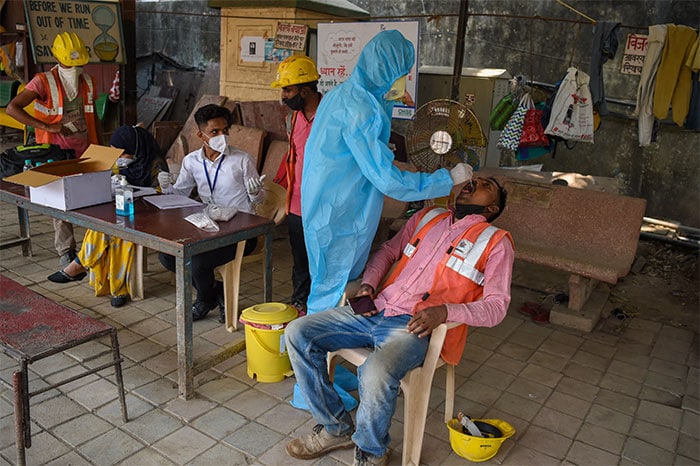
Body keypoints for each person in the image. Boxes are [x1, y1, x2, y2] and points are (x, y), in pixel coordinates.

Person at [285, 176, 513, 465]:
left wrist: (444, 312)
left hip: (413, 326)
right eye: (474, 179)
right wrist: (368, 283)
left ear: (491, 208)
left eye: (485, 185)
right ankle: (336, 428)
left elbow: (496, 307)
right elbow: (388, 251)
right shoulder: (428, 216)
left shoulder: (495, 242)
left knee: (376, 371)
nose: (473, 182)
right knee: (298, 332)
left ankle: (371, 451)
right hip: (375, 308)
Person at [301, 30, 473, 315]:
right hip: (342, 213)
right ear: (385, 69)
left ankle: (315, 346)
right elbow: (387, 179)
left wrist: (389, 98)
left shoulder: (343, 95)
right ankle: (314, 349)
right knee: (334, 289)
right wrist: (447, 179)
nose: (404, 79)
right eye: (402, 72)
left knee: (327, 284)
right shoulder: (362, 110)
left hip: (325, 206)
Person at [157, 104, 266, 321]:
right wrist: (167, 186)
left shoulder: (242, 159)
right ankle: (218, 292)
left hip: (241, 231)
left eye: (225, 130)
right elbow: (180, 193)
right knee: (167, 256)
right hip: (207, 226)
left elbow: (259, 199)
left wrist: (256, 193)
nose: (222, 136)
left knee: (198, 263)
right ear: (201, 134)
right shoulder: (191, 161)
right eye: (214, 132)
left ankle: (205, 300)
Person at [46, 126, 169, 308]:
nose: (118, 157)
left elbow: (162, 196)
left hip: (149, 214)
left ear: (135, 149)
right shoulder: (118, 162)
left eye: (122, 153)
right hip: (124, 209)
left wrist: (160, 188)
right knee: (103, 226)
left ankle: (104, 279)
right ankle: (108, 281)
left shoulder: (156, 165)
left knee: (120, 233)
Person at [6, 32, 99, 268]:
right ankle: (66, 251)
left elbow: (93, 118)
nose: (76, 68)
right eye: (71, 63)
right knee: (59, 201)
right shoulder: (41, 81)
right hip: (54, 152)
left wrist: (100, 147)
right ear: (59, 58)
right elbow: (12, 109)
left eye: (80, 63)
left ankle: (93, 251)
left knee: (94, 201)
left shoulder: (87, 81)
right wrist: (47, 126)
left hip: (85, 150)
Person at [270, 55, 322, 314]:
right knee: (300, 258)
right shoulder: (293, 119)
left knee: (322, 259)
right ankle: (300, 301)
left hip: (324, 205)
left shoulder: (330, 117)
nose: (283, 96)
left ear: (305, 90)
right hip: (297, 203)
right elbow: (292, 156)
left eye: (288, 90)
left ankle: (323, 304)